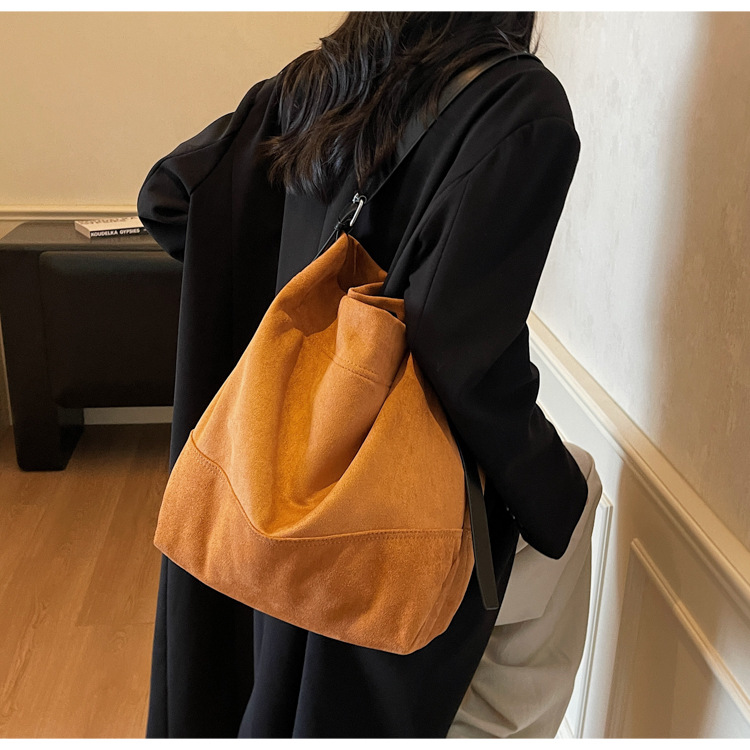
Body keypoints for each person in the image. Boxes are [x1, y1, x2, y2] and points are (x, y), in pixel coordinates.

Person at [137, 11, 594, 738]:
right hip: (369, 504)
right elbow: (460, 349)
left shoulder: (319, 79)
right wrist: (554, 493)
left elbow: (166, 200)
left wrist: (286, 312)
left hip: (257, 467)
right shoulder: (517, 104)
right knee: (576, 499)